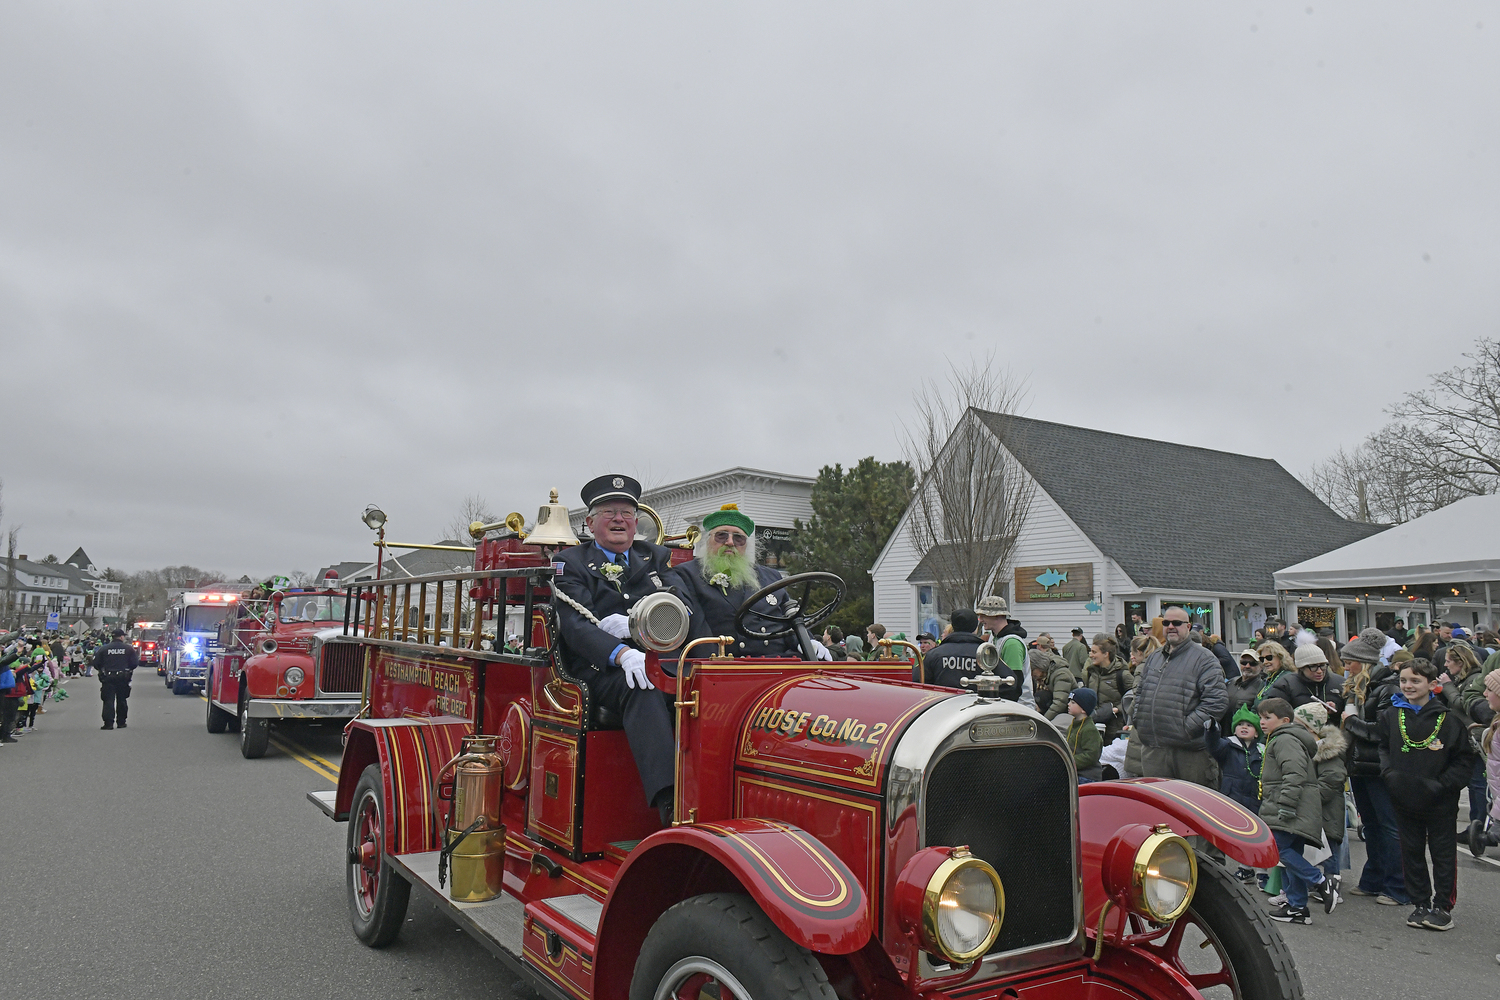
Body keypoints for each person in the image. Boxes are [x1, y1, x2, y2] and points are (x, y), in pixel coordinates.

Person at [551, 474, 680, 825]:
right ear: (590, 522)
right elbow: (576, 627)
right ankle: (671, 801)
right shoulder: (571, 562)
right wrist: (622, 654)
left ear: (637, 522)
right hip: (600, 669)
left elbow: (681, 603)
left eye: (626, 512)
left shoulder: (654, 557)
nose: (619, 519)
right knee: (644, 687)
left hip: (659, 657)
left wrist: (638, 624)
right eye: (609, 512)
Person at [1377, 656, 1478, 931]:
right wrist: (1390, 775)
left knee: (1442, 853)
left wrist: (1442, 785)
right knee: (1411, 850)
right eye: (1404, 681)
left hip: (1439, 801)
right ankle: (1420, 902)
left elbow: (1464, 760)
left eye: (1415, 681)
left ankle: (1442, 906)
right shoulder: (1392, 715)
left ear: (1433, 684)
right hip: (1404, 797)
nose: (1408, 686)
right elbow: (1383, 747)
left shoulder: (1449, 719)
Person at [668, 504, 819, 659]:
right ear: (708, 541)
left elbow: (791, 615)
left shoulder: (771, 577)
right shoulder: (688, 575)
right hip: (727, 668)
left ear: (746, 545)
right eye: (721, 536)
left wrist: (808, 641)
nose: (730, 542)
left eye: (738, 538)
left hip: (779, 665)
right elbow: (696, 630)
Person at [1258, 697, 1338, 923]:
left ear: (1284, 720)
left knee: (1278, 849)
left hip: (1290, 807)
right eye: (1261, 717)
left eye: (1268, 717)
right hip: (1294, 806)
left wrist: (1286, 805)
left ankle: (1321, 882)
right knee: (1292, 853)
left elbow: (1294, 774)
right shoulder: (1284, 738)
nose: (1262, 722)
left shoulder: (1285, 740)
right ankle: (1297, 907)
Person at [1341, 645, 1410, 906]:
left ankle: (1397, 886)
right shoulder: (1361, 688)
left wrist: (1350, 722)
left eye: (1349, 661)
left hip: (1380, 768)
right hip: (1361, 766)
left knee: (1389, 827)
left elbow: (1384, 731)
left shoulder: (1388, 688)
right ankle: (1373, 880)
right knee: (1371, 826)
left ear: (1364, 662)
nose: (1345, 666)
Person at [1133, 607, 1228, 787]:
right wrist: (1140, 720)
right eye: (1166, 623)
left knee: (1192, 808)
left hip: (1189, 754)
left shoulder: (1205, 659)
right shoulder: (1154, 658)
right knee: (1158, 809)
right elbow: (1140, 692)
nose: (1171, 627)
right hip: (1154, 750)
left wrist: (1185, 728)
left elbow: (1216, 702)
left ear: (1188, 626)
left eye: (1177, 623)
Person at [1295, 701, 1348, 909]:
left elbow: (1333, 779)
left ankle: (1333, 884)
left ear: (1310, 729)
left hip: (1327, 811)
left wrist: (1310, 798)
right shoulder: (1307, 748)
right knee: (1316, 847)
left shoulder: (1327, 752)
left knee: (1330, 850)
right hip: (1314, 810)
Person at [1205, 705, 1264, 882]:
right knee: (1241, 835)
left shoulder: (1262, 749)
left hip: (1256, 797)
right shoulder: (1227, 746)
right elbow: (1213, 744)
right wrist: (1212, 730)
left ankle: (1262, 871)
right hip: (1234, 796)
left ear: (1256, 733)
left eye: (1249, 725)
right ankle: (1245, 867)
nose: (1243, 727)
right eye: (1240, 724)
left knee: (1258, 834)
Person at [1437, 641, 1494, 825]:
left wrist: (1447, 686)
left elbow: (1463, 704)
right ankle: (1476, 823)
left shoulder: (1473, 679)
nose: (1445, 665)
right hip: (1466, 738)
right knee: (1473, 783)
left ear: (1460, 662)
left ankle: (1480, 823)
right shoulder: (1462, 680)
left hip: (1475, 739)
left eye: (1448, 661)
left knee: (1478, 783)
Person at [918, 609, 1022, 698]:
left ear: (953, 626)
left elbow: (917, 683)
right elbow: (1011, 684)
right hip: (977, 714)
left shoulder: (934, 655)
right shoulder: (986, 655)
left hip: (943, 712)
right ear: (976, 628)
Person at [973, 596, 1035, 707]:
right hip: (1003, 704)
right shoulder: (994, 637)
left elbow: (1013, 683)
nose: (980, 620)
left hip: (1018, 706)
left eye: (984, 615)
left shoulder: (1012, 643)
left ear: (997, 616)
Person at [1266, 643, 1345, 715]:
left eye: (1322, 665)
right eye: (1313, 667)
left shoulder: (1340, 683)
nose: (1319, 671)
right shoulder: (1285, 685)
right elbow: (1275, 713)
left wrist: (1337, 708)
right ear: (1301, 668)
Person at [1080, 634, 1132, 741]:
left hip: (1115, 729)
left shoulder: (1122, 675)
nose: (1090, 655)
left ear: (1105, 654)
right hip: (1094, 726)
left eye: (1094, 652)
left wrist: (1116, 709)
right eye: (1090, 651)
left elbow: (1135, 697)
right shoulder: (1091, 673)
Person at [93, 627, 139, 730]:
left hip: (108, 678)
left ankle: (108, 723)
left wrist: (103, 670)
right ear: (122, 637)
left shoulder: (104, 649)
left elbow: (96, 663)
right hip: (123, 677)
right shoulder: (128, 649)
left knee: (108, 700)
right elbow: (134, 663)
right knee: (122, 700)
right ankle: (121, 722)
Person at [1032, 645, 1078, 723]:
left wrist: (1043, 721)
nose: (1031, 674)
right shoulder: (1045, 675)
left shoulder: (1061, 674)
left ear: (1039, 666)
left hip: (1066, 715)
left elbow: (1060, 703)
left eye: (1032, 670)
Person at [1065, 688, 1103, 780]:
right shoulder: (1072, 726)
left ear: (1083, 709)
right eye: (1069, 701)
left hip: (1087, 776)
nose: (1068, 704)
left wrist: (1069, 761)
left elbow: (1091, 755)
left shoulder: (1089, 729)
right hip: (1074, 772)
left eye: (1073, 703)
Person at [1223, 647, 1265, 730]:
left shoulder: (1262, 687)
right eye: (1244, 662)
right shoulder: (1231, 682)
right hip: (1224, 733)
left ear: (1261, 666)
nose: (1247, 666)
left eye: (1252, 663)